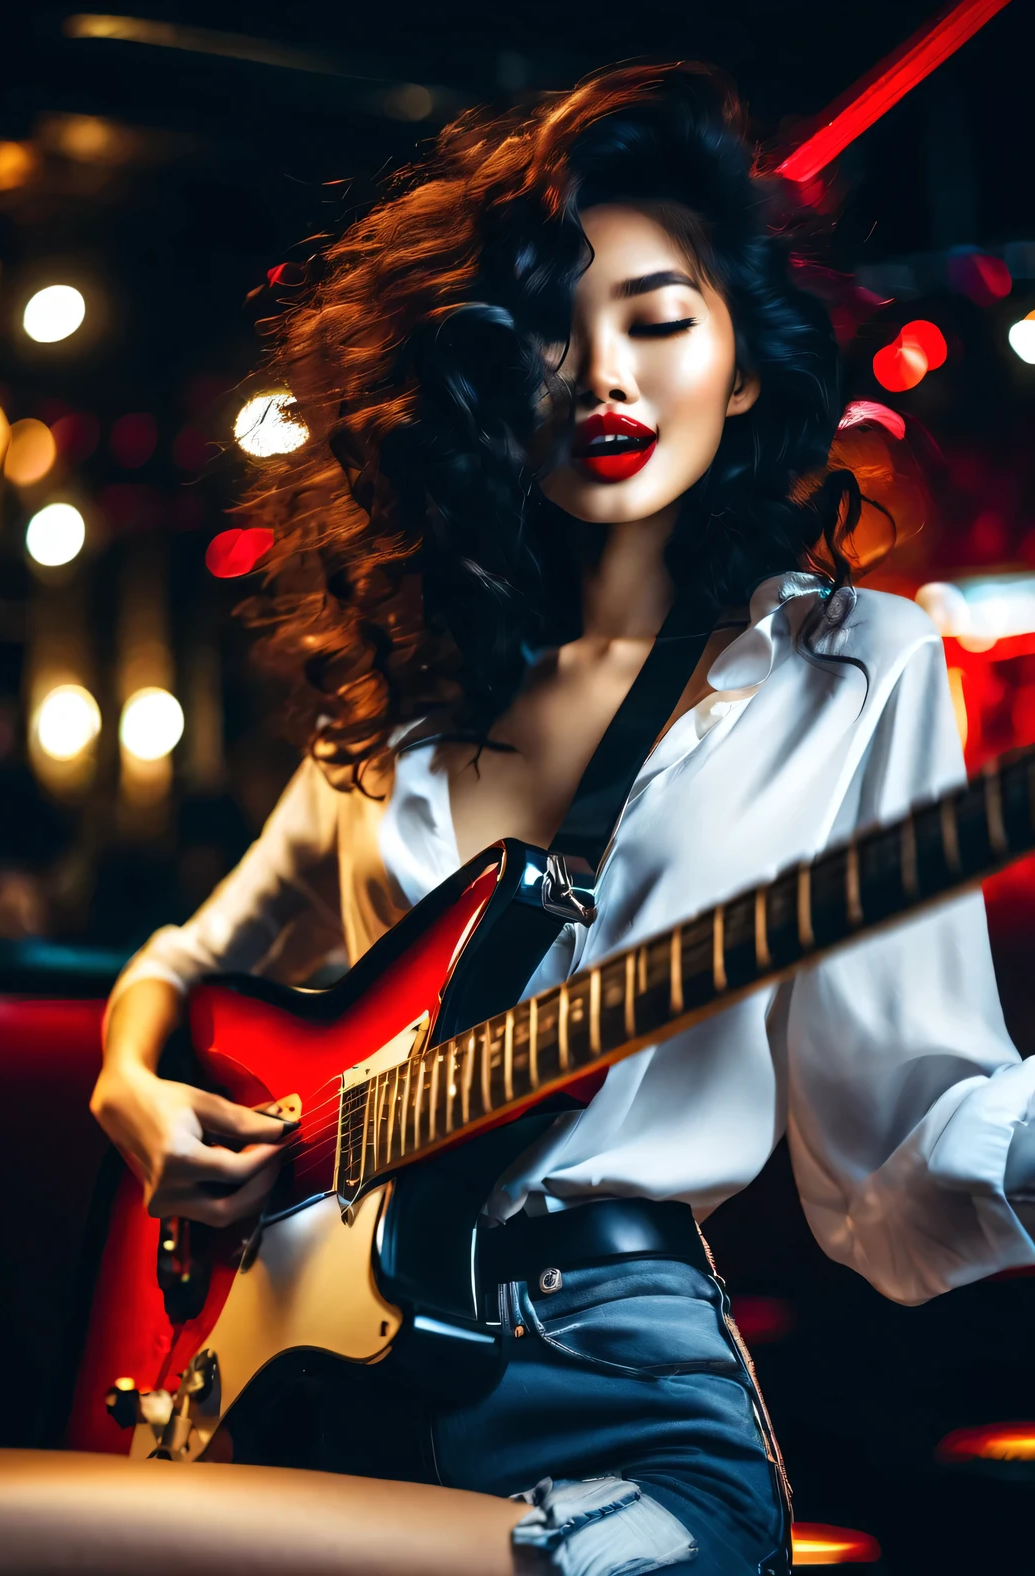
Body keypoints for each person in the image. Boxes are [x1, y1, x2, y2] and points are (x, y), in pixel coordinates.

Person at [90, 63, 1035, 1576]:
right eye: (548, 329)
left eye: (659, 320)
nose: (603, 373)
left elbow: (901, 1144)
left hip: (621, 1404)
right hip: (325, 1398)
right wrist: (134, 1096)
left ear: (741, 372)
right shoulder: (398, 708)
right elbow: (188, 961)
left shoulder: (855, 670)